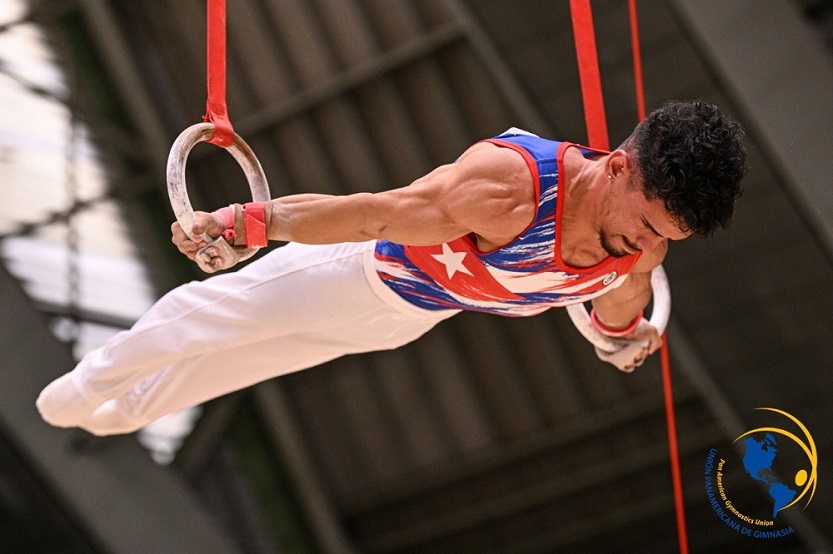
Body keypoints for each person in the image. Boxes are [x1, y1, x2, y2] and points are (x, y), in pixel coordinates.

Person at [36, 100, 747, 436]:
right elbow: (374, 212)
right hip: (354, 273)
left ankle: (118, 412)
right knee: (207, 319)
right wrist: (251, 221)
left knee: (225, 366)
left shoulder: (647, 247)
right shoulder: (509, 187)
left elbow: (615, 302)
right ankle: (77, 388)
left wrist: (622, 338)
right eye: (647, 222)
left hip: (402, 320)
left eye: (665, 237)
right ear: (616, 167)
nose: (644, 244)